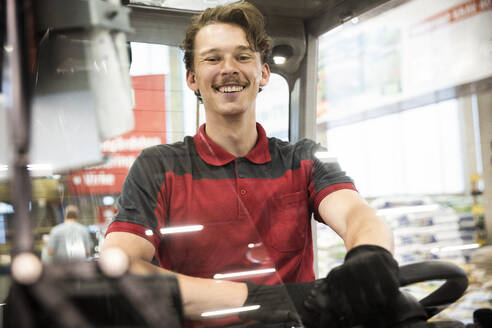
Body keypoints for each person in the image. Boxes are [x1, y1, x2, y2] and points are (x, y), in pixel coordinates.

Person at [102, 2, 399, 326]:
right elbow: (120, 264)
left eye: (243, 56)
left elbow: (356, 213)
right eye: (212, 58)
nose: (228, 68)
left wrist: (370, 252)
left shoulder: (305, 159)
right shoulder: (157, 167)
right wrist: (259, 301)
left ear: (264, 73)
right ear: (192, 78)